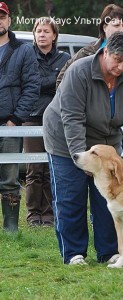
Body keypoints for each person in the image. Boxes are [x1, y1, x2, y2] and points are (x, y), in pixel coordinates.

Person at [43, 31, 123, 265]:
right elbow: (71, 118)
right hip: (65, 139)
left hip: (106, 143)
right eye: (117, 60)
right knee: (71, 197)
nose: (121, 67)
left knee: (110, 199)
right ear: (105, 50)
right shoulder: (79, 71)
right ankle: (73, 253)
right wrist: (84, 159)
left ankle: (110, 252)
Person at [56, 3, 123, 147]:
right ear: (104, 27)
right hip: (93, 128)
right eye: (116, 25)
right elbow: (63, 79)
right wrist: (80, 109)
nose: (122, 29)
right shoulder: (86, 54)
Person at [23, 17, 70, 228]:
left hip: (56, 119)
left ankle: (49, 214)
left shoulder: (64, 58)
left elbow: (65, 87)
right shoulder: (24, 55)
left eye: (46, 31)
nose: (42, 34)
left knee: (53, 167)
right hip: (31, 118)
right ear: (34, 34)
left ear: (54, 35)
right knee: (34, 169)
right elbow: (28, 84)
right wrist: (48, 83)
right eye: (38, 31)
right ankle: (33, 215)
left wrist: (40, 84)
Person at [0, 2, 40, 232]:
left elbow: (32, 86)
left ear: (9, 19)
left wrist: (16, 118)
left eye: (2, 16)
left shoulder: (24, 50)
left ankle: (11, 229)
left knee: (10, 180)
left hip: (10, 125)